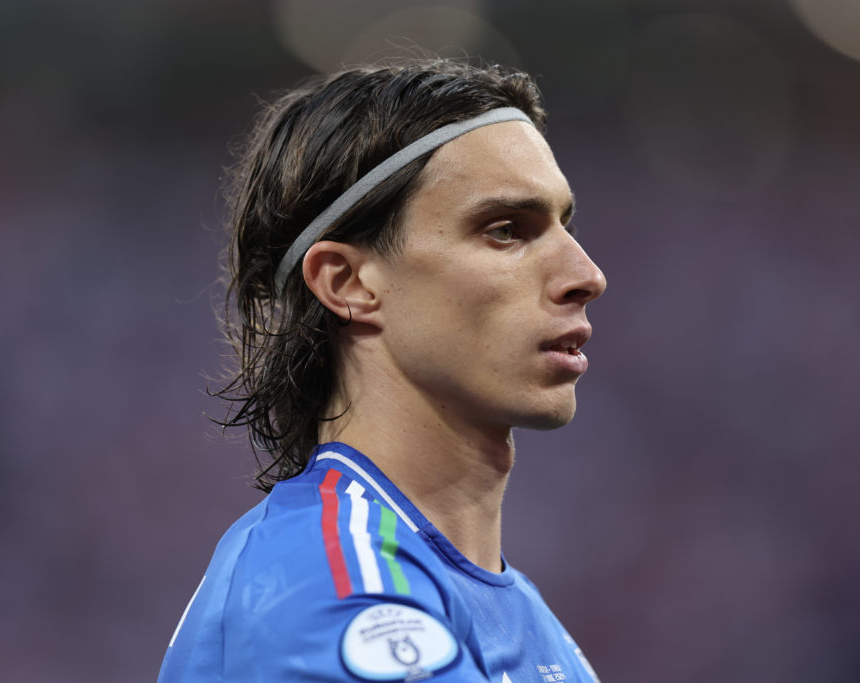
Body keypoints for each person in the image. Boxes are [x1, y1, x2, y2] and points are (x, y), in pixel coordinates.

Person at [158, 59, 607, 682]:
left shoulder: (508, 606)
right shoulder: (339, 589)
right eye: (506, 231)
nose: (587, 275)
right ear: (349, 282)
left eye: (566, 225)